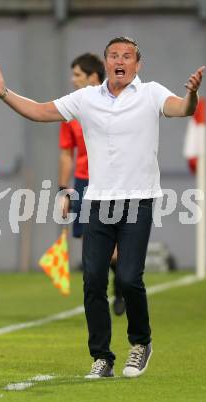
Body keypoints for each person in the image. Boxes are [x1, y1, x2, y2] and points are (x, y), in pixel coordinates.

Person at [0, 36, 204, 379]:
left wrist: (191, 94)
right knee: (93, 281)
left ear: (137, 64)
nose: (120, 60)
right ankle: (102, 357)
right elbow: (41, 111)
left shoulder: (151, 94)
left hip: (138, 201)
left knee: (130, 278)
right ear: (105, 63)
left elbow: (182, 108)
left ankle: (140, 343)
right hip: (97, 201)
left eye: (127, 56)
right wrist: (3, 92)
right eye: (114, 55)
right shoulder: (86, 98)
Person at [58, 52, 125, 316]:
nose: (72, 80)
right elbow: (66, 154)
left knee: (114, 251)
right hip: (84, 182)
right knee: (90, 246)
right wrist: (64, 191)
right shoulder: (70, 110)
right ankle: (98, 296)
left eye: (77, 75)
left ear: (93, 77)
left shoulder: (116, 105)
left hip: (112, 181)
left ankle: (121, 289)